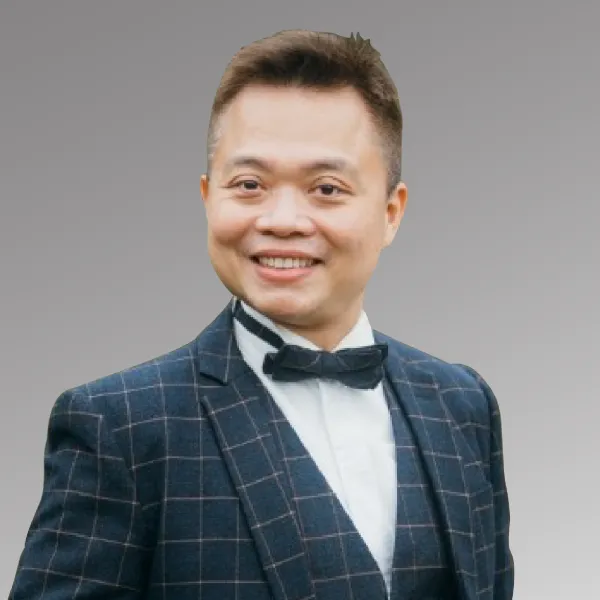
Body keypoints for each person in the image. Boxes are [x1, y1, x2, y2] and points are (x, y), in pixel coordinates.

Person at [9, 29, 514, 600]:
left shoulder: (463, 406)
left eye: (326, 188)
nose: (282, 220)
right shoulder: (120, 428)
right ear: (208, 198)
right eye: (249, 184)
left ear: (391, 211)